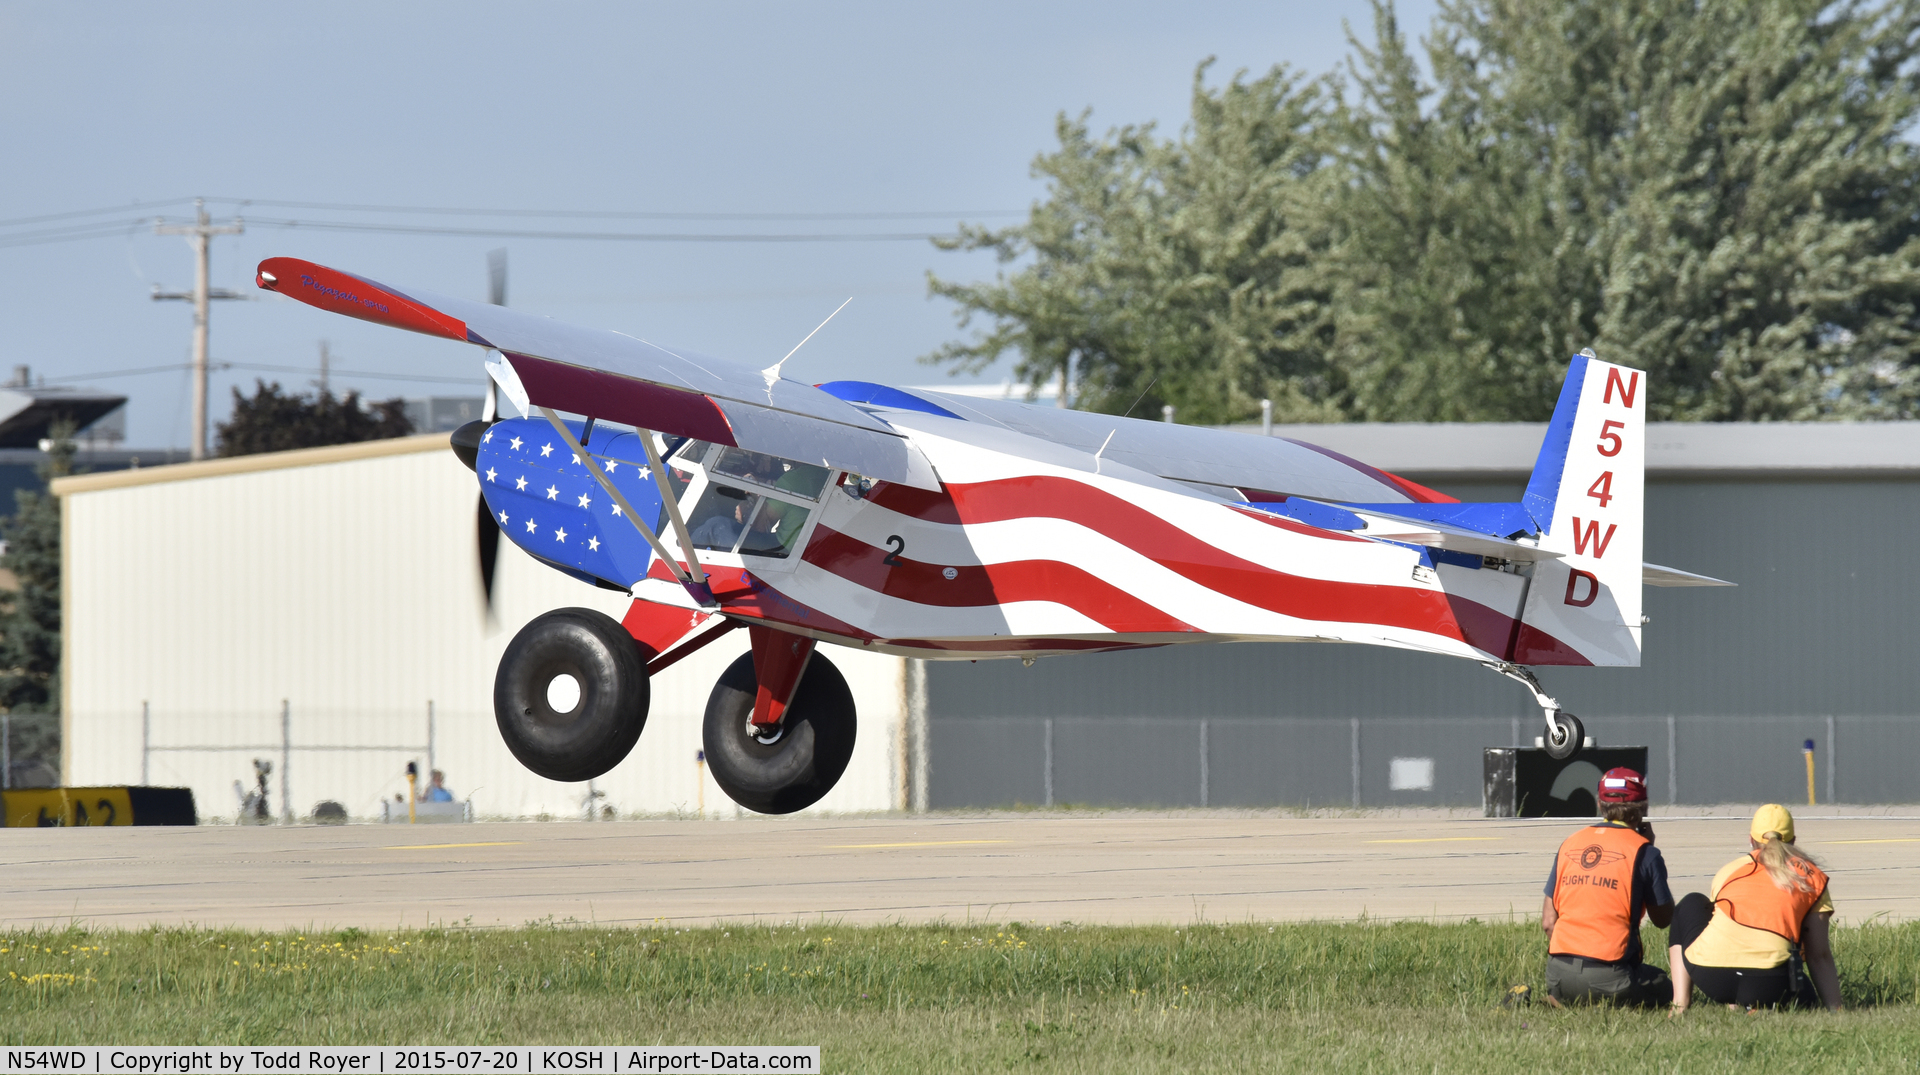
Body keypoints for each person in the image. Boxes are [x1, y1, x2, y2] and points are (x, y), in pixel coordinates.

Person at [1667, 804, 1842, 1013]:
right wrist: (1836, 1009)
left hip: (1711, 976)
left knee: (1692, 902)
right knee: (1805, 996)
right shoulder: (1810, 877)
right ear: (1793, 841)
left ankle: (1680, 1005)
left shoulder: (1730, 870)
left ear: (1751, 840)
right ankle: (1754, 1003)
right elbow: (1818, 955)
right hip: (1769, 982)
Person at [1541, 767, 1675, 1006]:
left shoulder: (1569, 844)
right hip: (1611, 977)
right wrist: (1648, 850)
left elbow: (1548, 923)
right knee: (1663, 984)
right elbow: (1663, 919)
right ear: (1642, 808)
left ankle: (1564, 998)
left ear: (1599, 804)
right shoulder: (1644, 853)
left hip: (1557, 977)